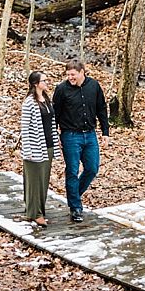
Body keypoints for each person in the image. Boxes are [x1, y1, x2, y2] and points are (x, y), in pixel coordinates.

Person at [52, 60, 111, 223]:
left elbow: (101, 109)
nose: (70, 77)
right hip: (70, 135)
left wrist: (105, 132)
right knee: (72, 170)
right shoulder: (62, 89)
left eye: (73, 74)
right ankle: (76, 208)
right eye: (68, 75)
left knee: (92, 168)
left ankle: (74, 195)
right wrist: (54, 134)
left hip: (90, 134)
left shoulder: (94, 86)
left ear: (82, 72)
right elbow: (55, 114)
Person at [19, 71, 59, 227]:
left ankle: (39, 210)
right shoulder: (29, 102)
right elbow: (25, 128)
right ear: (36, 83)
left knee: (43, 181)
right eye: (44, 80)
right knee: (34, 181)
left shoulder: (46, 100)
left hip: (47, 146)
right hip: (35, 148)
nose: (47, 83)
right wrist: (27, 150)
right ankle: (35, 213)